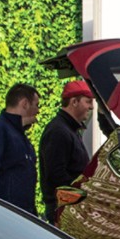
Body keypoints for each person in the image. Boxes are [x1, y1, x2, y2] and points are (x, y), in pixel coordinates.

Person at [0, 83, 41, 214]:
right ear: (25, 104)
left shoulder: (19, 135)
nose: (38, 110)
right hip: (6, 216)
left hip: (22, 214)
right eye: (36, 105)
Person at [39, 80, 94, 224]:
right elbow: (56, 175)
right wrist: (79, 197)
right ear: (74, 102)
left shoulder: (68, 129)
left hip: (68, 207)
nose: (91, 107)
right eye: (88, 101)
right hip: (64, 209)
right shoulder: (59, 131)